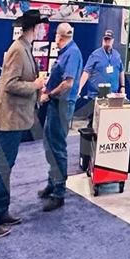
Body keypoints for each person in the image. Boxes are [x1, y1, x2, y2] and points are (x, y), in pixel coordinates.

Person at [0, 9, 47, 239]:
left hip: (17, 118)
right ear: (34, 28)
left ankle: (0, 210)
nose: (44, 30)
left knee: (7, 166)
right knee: (2, 168)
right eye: (41, 26)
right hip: (10, 118)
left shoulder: (25, 48)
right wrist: (35, 85)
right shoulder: (18, 50)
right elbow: (10, 84)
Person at [38, 22, 83, 211]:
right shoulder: (65, 53)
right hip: (55, 105)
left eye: (56, 36)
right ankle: (52, 182)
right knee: (49, 145)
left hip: (62, 105)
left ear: (60, 36)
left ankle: (59, 192)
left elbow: (68, 84)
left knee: (57, 147)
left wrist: (49, 95)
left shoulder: (72, 53)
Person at [76, 30, 124, 125]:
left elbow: (121, 71)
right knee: (94, 123)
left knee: (108, 123)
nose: (107, 41)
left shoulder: (117, 56)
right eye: (105, 39)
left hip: (112, 96)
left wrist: (122, 86)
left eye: (109, 39)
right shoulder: (95, 55)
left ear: (113, 41)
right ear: (102, 40)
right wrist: (79, 88)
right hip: (96, 96)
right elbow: (86, 72)